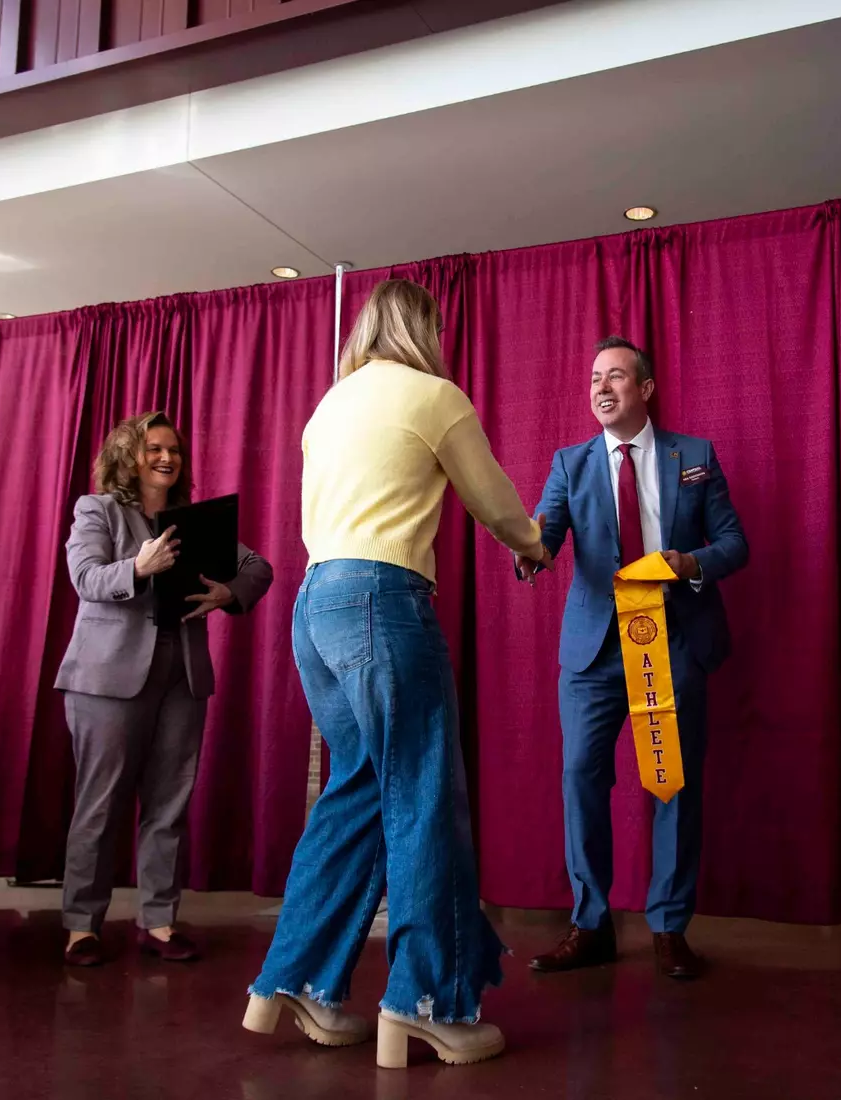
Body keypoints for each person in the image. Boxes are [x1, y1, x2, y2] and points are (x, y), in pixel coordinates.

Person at [242, 279, 550, 1069]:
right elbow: (493, 502)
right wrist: (532, 545)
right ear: (425, 329)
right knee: (421, 795)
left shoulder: (329, 405)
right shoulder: (434, 395)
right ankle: (430, 1004)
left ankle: (296, 981)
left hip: (315, 605)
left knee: (355, 790)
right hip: (382, 601)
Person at [522, 336, 747, 981]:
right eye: (595, 377)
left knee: (669, 783)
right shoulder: (570, 463)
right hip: (594, 651)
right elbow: (548, 534)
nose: (602, 387)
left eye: (616, 376)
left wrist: (692, 561)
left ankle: (670, 928)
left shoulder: (694, 457)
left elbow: (735, 542)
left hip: (667, 639)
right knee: (581, 780)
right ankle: (589, 924)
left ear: (644, 389)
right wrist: (527, 549)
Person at [55, 411, 273, 967]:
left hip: (182, 676)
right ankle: (82, 926)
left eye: (173, 449)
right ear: (129, 455)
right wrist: (139, 565)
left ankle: (159, 921)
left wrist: (229, 592)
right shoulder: (96, 510)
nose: (166, 458)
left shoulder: (193, 521)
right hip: (106, 680)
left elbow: (259, 567)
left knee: (168, 806)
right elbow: (85, 578)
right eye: (153, 448)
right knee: (99, 806)